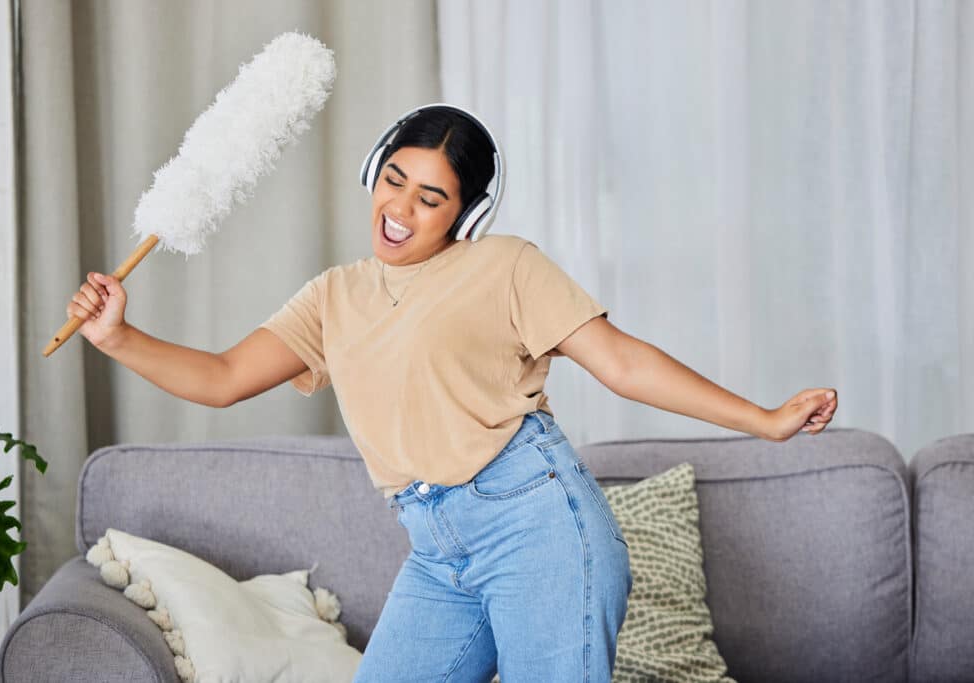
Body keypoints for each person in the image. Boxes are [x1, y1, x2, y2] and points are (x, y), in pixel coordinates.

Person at [67, 104, 838, 682]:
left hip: (537, 526)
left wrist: (763, 420)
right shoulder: (334, 296)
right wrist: (118, 338)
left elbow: (621, 361)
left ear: (465, 214)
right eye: (394, 179)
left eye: (430, 198)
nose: (399, 210)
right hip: (437, 550)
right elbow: (223, 378)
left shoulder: (503, 266)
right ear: (375, 172)